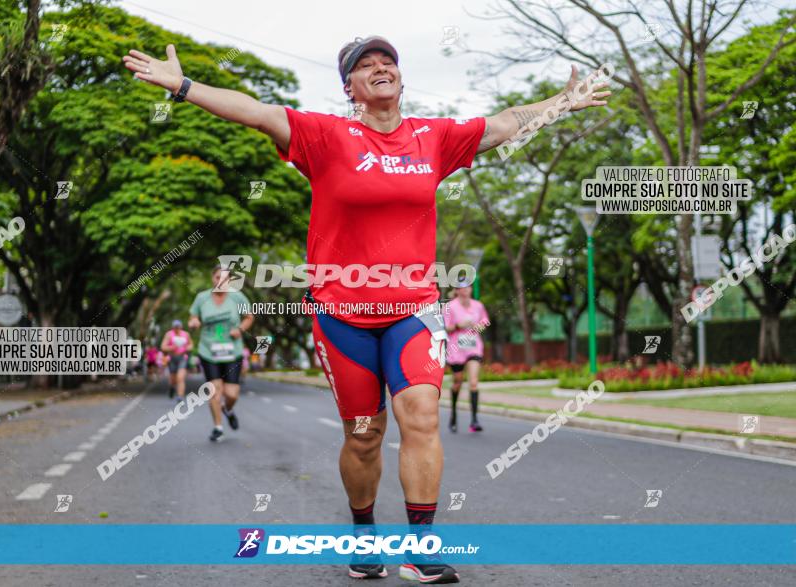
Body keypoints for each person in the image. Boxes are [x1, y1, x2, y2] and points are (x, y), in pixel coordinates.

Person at [124, 35, 610, 584]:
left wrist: (563, 101)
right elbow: (256, 112)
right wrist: (185, 87)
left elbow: (503, 124)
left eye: (389, 61)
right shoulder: (326, 137)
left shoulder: (433, 137)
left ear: (400, 78)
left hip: (414, 309)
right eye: (365, 65)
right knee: (363, 434)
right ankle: (363, 535)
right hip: (343, 314)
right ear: (349, 87)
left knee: (422, 416)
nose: (381, 68)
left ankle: (421, 548)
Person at [187, 266, 254, 443]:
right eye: (217, 278)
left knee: (232, 394)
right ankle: (218, 427)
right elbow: (193, 317)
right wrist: (193, 322)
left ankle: (228, 409)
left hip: (233, 351)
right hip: (209, 351)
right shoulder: (202, 298)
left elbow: (249, 316)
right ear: (212, 278)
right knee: (214, 391)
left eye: (224, 279)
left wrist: (240, 329)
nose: (220, 282)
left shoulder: (237, 297)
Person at [444, 280, 490, 433]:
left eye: (468, 287)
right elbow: (445, 328)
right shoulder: (450, 307)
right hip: (456, 348)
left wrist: (479, 326)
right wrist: (458, 326)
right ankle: (454, 415)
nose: (466, 290)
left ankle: (474, 420)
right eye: (462, 288)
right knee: (457, 382)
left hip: (473, 347)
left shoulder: (478, 305)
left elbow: (485, 321)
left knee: (474, 382)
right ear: (456, 290)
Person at [161, 319, 193, 401]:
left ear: (181, 327)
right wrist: (172, 347)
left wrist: (187, 348)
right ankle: (172, 388)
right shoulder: (169, 334)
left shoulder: (186, 334)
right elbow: (163, 347)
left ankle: (180, 396)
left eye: (178, 327)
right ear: (173, 327)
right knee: (173, 380)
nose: (177, 329)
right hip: (172, 358)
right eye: (175, 327)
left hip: (182, 358)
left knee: (180, 377)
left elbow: (191, 345)